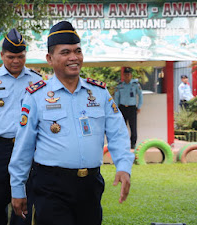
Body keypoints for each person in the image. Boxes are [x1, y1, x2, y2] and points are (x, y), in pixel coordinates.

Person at [9, 21, 135, 225]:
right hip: (51, 185)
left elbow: (118, 133)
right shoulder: (36, 96)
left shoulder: (99, 93)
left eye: (77, 51)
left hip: (90, 185)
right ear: (50, 58)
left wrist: (123, 166)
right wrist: (17, 188)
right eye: (65, 52)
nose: (74, 57)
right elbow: (24, 146)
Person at [0, 28, 41, 225]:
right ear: (2, 55)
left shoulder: (36, 81)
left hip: (28, 149)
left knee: (24, 204)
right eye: (11, 57)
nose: (16, 61)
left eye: (20, 56)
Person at [114, 67, 143, 149]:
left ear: (131, 75)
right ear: (123, 75)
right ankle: (122, 143)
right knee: (121, 127)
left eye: (128, 74)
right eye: (125, 74)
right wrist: (116, 109)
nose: (127, 76)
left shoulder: (135, 85)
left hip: (132, 108)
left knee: (133, 127)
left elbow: (140, 96)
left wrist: (139, 106)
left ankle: (133, 143)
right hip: (122, 108)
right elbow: (116, 98)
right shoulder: (120, 85)